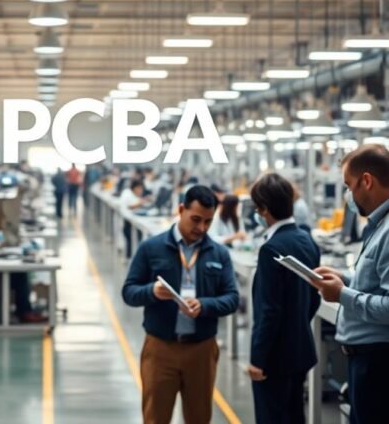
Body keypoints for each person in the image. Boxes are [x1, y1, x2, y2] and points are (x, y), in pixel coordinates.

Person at [312, 145, 389, 424]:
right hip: (375, 364)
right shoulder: (387, 223)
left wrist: (342, 294)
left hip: (384, 368)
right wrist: (346, 280)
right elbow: (381, 285)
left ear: (366, 180)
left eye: (349, 186)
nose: (348, 196)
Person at [122, 185, 240, 424]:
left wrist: (204, 305)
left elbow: (232, 298)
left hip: (202, 350)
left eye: (208, 222)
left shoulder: (218, 254)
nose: (201, 228)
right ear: (180, 209)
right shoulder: (151, 248)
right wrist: (152, 291)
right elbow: (129, 292)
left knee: (199, 417)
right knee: (156, 417)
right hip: (160, 349)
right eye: (196, 220)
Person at [246, 174, 321, 424]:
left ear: (264, 209)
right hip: (299, 351)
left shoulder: (271, 249)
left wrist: (258, 359)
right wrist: (296, 324)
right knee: (294, 415)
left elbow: (269, 310)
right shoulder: (307, 241)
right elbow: (313, 298)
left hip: (274, 359)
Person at [119, 179, 149, 258]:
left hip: (130, 221)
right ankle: (131, 257)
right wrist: (141, 203)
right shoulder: (127, 194)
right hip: (129, 221)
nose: (141, 191)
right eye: (140, 189)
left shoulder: (129, 193)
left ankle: (130, 256)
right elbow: (130, 206)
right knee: (132, 241)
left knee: (132, 242)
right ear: (136, 188)